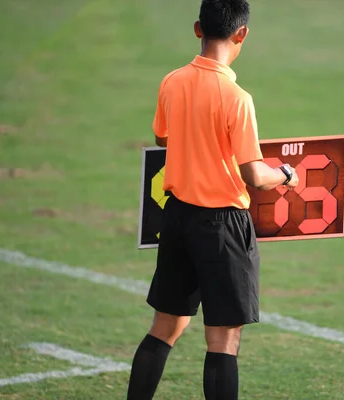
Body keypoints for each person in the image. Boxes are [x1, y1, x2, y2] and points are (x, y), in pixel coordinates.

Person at [126, 0, 299, 399]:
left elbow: (162, 137)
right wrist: (287, 175)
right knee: (223, 341)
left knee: (164, 328)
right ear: (242, 34)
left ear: (197, 29)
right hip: (222, 227)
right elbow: (255, 175)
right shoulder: (237, 98)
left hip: (177, 220)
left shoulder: (172, 81)